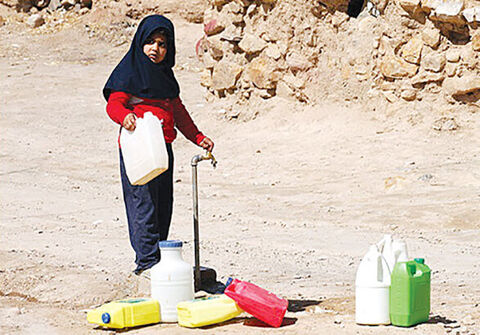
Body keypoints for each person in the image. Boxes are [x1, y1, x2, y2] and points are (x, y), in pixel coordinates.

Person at [103, 15, 214, 276]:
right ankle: (146, 263)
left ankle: (160, 259)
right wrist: (125, 116)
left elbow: (179, 112)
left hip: (163, 150)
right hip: (139, 149)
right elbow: (114, 103)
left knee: (163, 203)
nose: (156, 48)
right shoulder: (130, 72)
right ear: (140, 43)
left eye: (162, 44)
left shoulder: (165, 77)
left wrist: (198, 137)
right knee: (143, 205)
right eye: (150, 42)